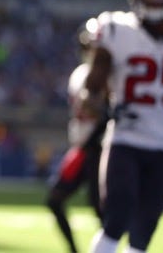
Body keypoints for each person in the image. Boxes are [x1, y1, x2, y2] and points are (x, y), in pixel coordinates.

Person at [87, 0, 163, 253]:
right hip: (126, 139)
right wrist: (104, 109)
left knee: (145, 230)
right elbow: (91, 89)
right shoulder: (116, 29)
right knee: (116, 218)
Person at [45, 18, 107, 253]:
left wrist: (92, 141)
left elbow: (107, 115)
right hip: (82, 148)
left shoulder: (108, 76)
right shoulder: (79, 73)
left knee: (100, 209)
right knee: (55, 200)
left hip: (98, 148)